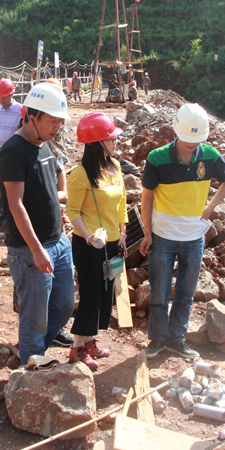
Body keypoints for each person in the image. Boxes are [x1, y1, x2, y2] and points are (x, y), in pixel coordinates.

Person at [140, 103, 225, 358]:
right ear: (176, 131)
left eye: (196, 140)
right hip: (163, 236)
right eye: (187, 139)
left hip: (194, 237)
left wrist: (212, 206)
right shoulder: (157, 158)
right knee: (159, 292)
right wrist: (147, 233)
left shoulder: (210, 156)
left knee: (186, 293)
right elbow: (147, 197)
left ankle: (177, 339)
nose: (191, 145)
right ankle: (158, 339)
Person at [0, 82, 75, 367]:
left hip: (58, 241)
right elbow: (16, 204)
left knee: (65, 304)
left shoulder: (44, 145)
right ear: (32, 116)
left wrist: (62, 230)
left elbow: (50, 190)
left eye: (59, 121)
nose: (57, 127)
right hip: (31, 249)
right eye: (52, 121)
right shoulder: (14, 151)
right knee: (34, 315)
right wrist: (37, 249)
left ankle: (31, 354)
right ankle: (29, 369)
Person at [66, 112, 127, 371]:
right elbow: (73, 212)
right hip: (90, 246)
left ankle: (90, 342)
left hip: (111, 243)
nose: (115, 142)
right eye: (110, 138)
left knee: (104, 295)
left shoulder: (115, 166)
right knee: (90, 296)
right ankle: (77, 349)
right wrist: (89, 236)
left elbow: (122, 203)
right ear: (97, 143)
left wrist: (122, 234)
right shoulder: (80, 174)